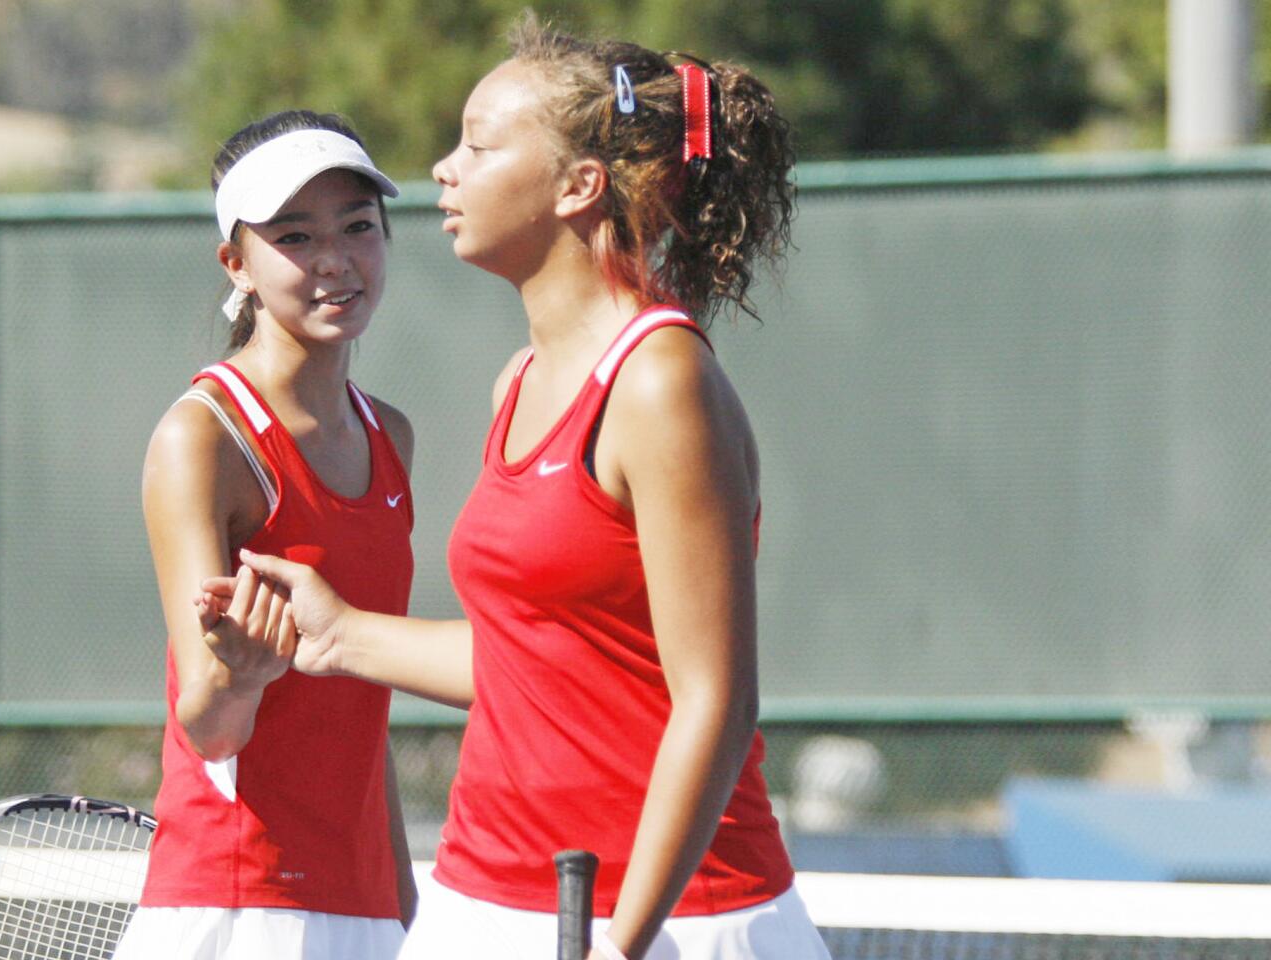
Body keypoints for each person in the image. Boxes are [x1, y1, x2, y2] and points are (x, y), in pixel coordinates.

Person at [203, 18, 830, 960]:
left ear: (579, 186)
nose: (443, 170)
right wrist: (340, 634)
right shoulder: (519, 381)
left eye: (480, 145)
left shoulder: (660, 382)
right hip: (483, 899)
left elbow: (715, 701)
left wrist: (621, 943)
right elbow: (538, 665)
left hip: (674, 922)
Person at [115, 109, 418, 960]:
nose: (334, 260)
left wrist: (398, 892)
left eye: (358, 227)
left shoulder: (390, 435)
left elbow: (365, 700)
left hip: (364, 905)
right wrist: (243, 676)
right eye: (294, 236)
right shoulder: (201, 438)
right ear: (237, 265)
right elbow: (209, 726)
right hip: (238, 902)